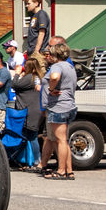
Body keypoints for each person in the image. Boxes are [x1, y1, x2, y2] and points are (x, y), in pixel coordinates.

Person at [39, 43, 78, 179]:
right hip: (69, 105)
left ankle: (61, 170)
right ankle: (69, 170)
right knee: (64, 140)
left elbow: (55, 77)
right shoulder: (70, 66)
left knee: (60, 140)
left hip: (59, 106)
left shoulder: (57, 66)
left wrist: (51, 88)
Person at [12, 56, 44, 170]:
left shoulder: (30, 77)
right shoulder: (38, 77)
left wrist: (16, 73)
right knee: (30, 135)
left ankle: (36, 161)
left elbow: (14, 85)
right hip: (37, 110)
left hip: (30, 110)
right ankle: (28, 160)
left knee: (32, 136)